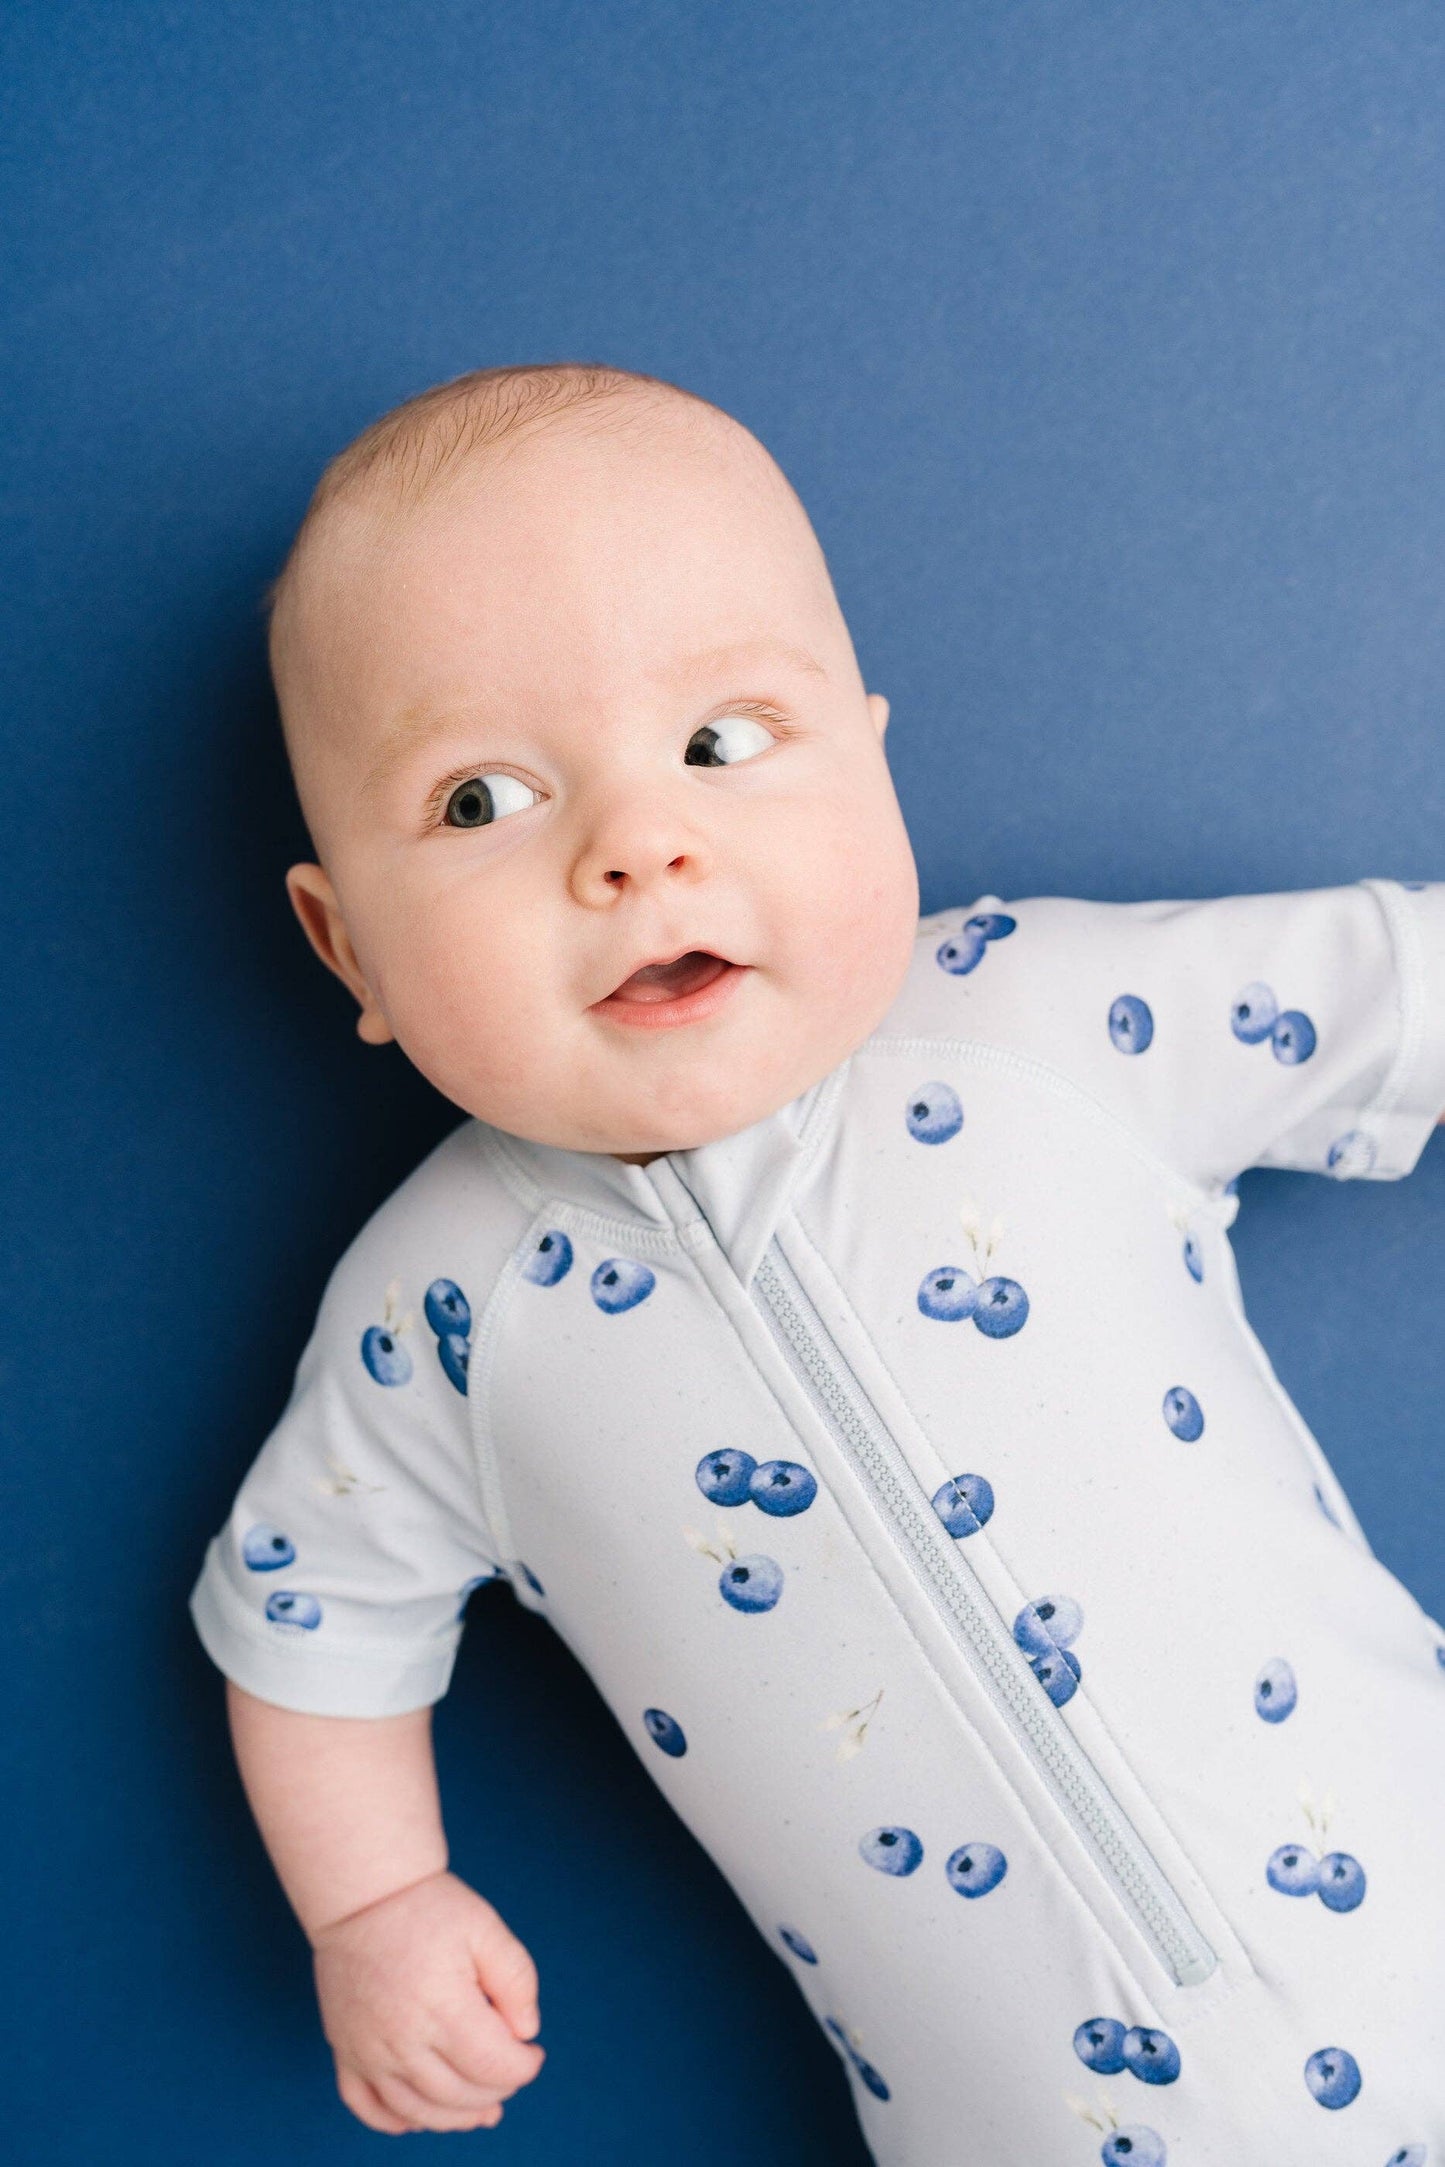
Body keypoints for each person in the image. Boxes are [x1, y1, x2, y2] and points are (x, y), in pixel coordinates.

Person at [189, 360, 1445, 2161]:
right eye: (480, 802)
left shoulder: (1035, 1025)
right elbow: (306, 1630)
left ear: (866, 751)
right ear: (345, 951)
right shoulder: (440, 1319)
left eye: (720, 741)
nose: (639, 846)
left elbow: (1391, 985)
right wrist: (373, 1911)